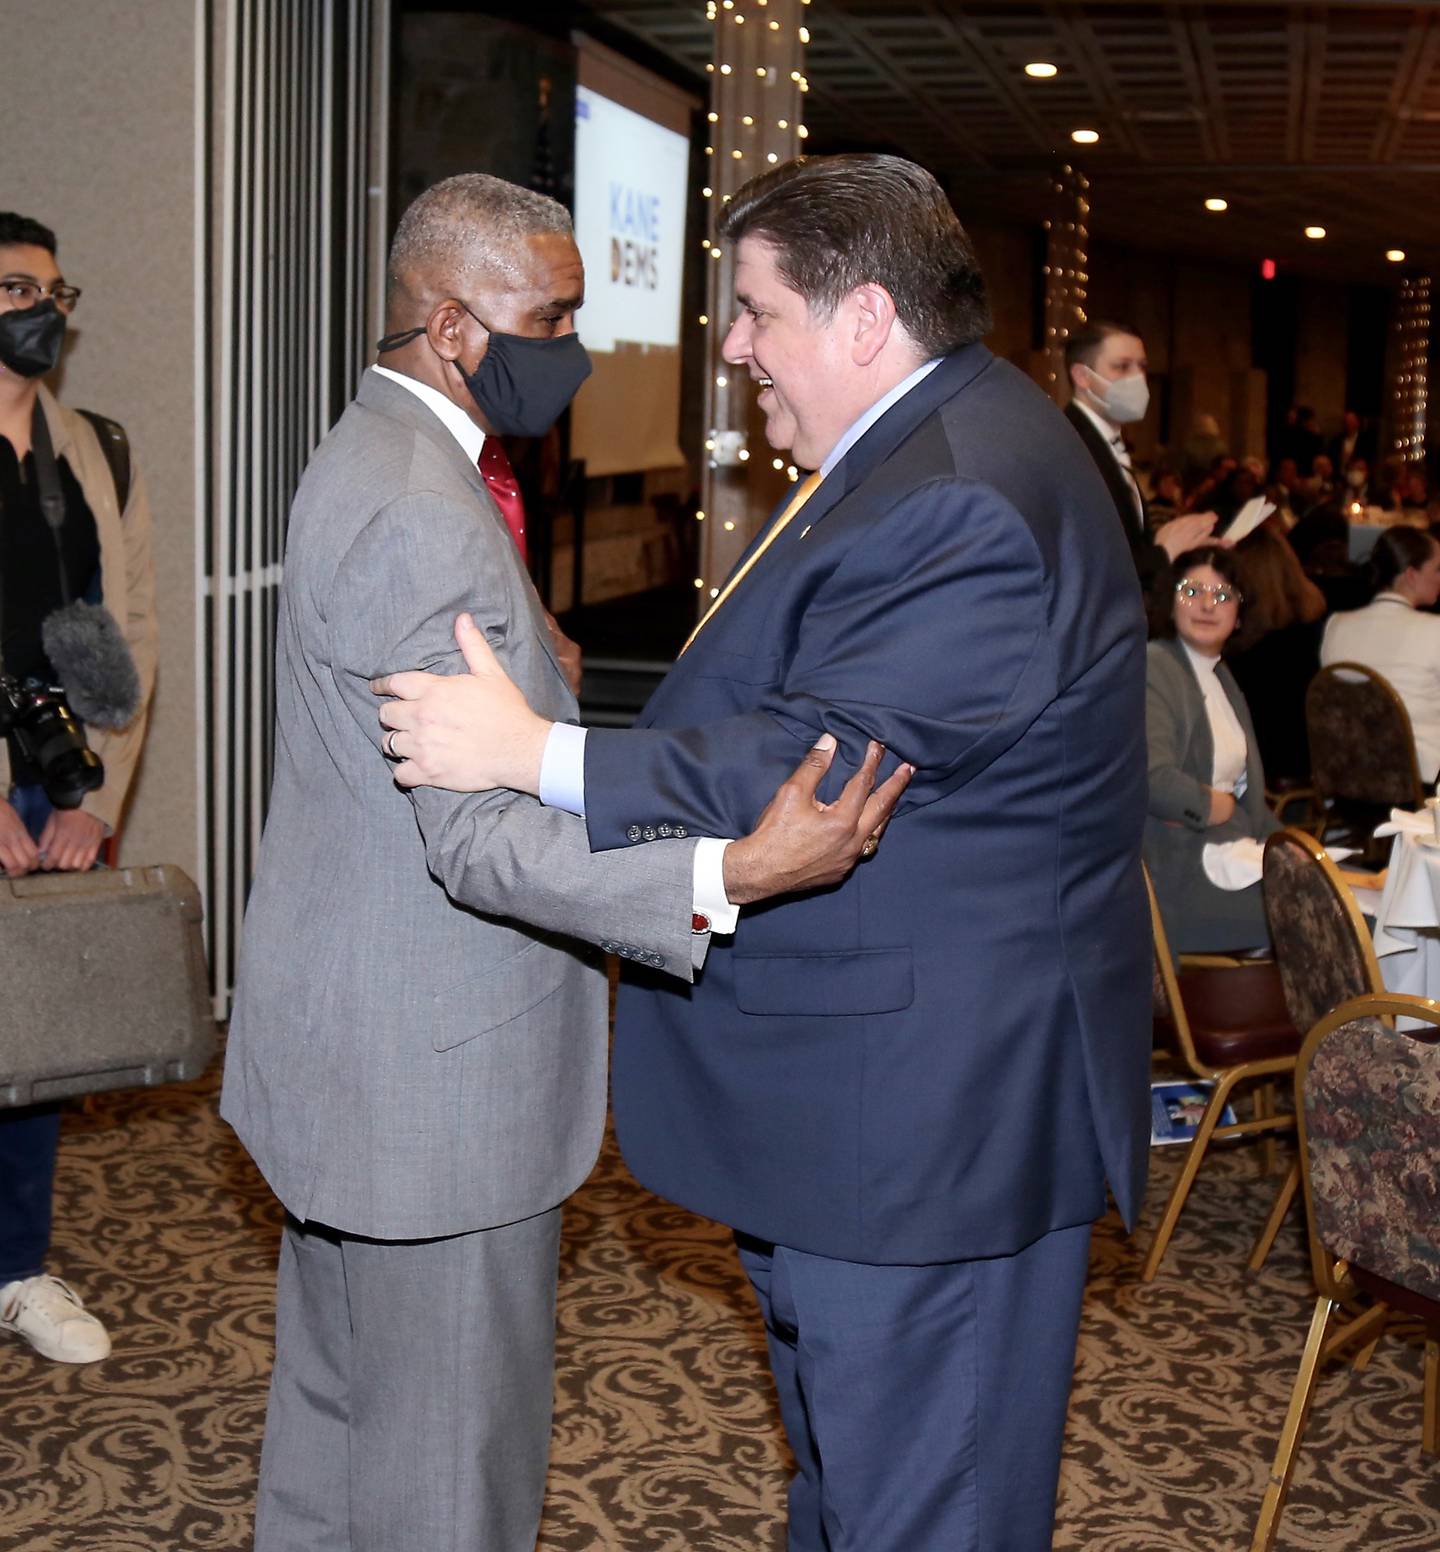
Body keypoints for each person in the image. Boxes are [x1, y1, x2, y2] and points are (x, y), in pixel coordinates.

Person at [373, 154, 1152, 1552]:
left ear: (863, 319)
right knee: (857, 1488)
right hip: (878, 1111)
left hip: (925, 1127)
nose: (731, 345)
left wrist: (532, 754)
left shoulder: (962, 488)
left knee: (924, 1510)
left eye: (754, 311)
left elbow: (816, 761)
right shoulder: (936, 443)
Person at [219, 173, 904, 1552]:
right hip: (433, 1078)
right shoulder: (422, 502)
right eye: (556, 315)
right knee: (444, 1478)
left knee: (342, 1438)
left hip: (363, 1051)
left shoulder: (382, 454)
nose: (579, 349)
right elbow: (474, 840)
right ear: (454, 325)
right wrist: (732, 874)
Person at [0, 212, 157, 1365]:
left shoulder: (96, 445)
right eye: (14, 287)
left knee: (32, 1025)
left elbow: (134, 627)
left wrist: (95, 803)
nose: (42, 311)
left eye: (55, 289)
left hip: (64, 768)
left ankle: (15, 1268)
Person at [1145, 546, 1279, 952]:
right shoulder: (1155, 665)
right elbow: (1151, 779)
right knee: (1346, 919)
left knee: (1347, 894)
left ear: (1239, 615)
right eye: (1191, 591)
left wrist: (1291, 849)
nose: (1206, 604)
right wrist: (1213, 806)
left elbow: (1250, 802)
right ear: (1170, 602)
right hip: (1180, 877)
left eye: (1222, 595)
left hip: (1231, 857)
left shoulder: (1221, 677)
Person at [1062, 319, 1216, 587]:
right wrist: (1162, 553)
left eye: (1142, 366)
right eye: (1122, 367)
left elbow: (1127, 542)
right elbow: (1092, 562)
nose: (1137, 378)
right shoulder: (1072, 446)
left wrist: (1176, 540)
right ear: (1082, 376)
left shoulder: (1106, 441)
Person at [1320, 524, 1440, 782]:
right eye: (1437, 569)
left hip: (1346, 775)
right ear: (1411, 575)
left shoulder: (1337, 624)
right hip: (1418, 782)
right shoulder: (1434, 630)